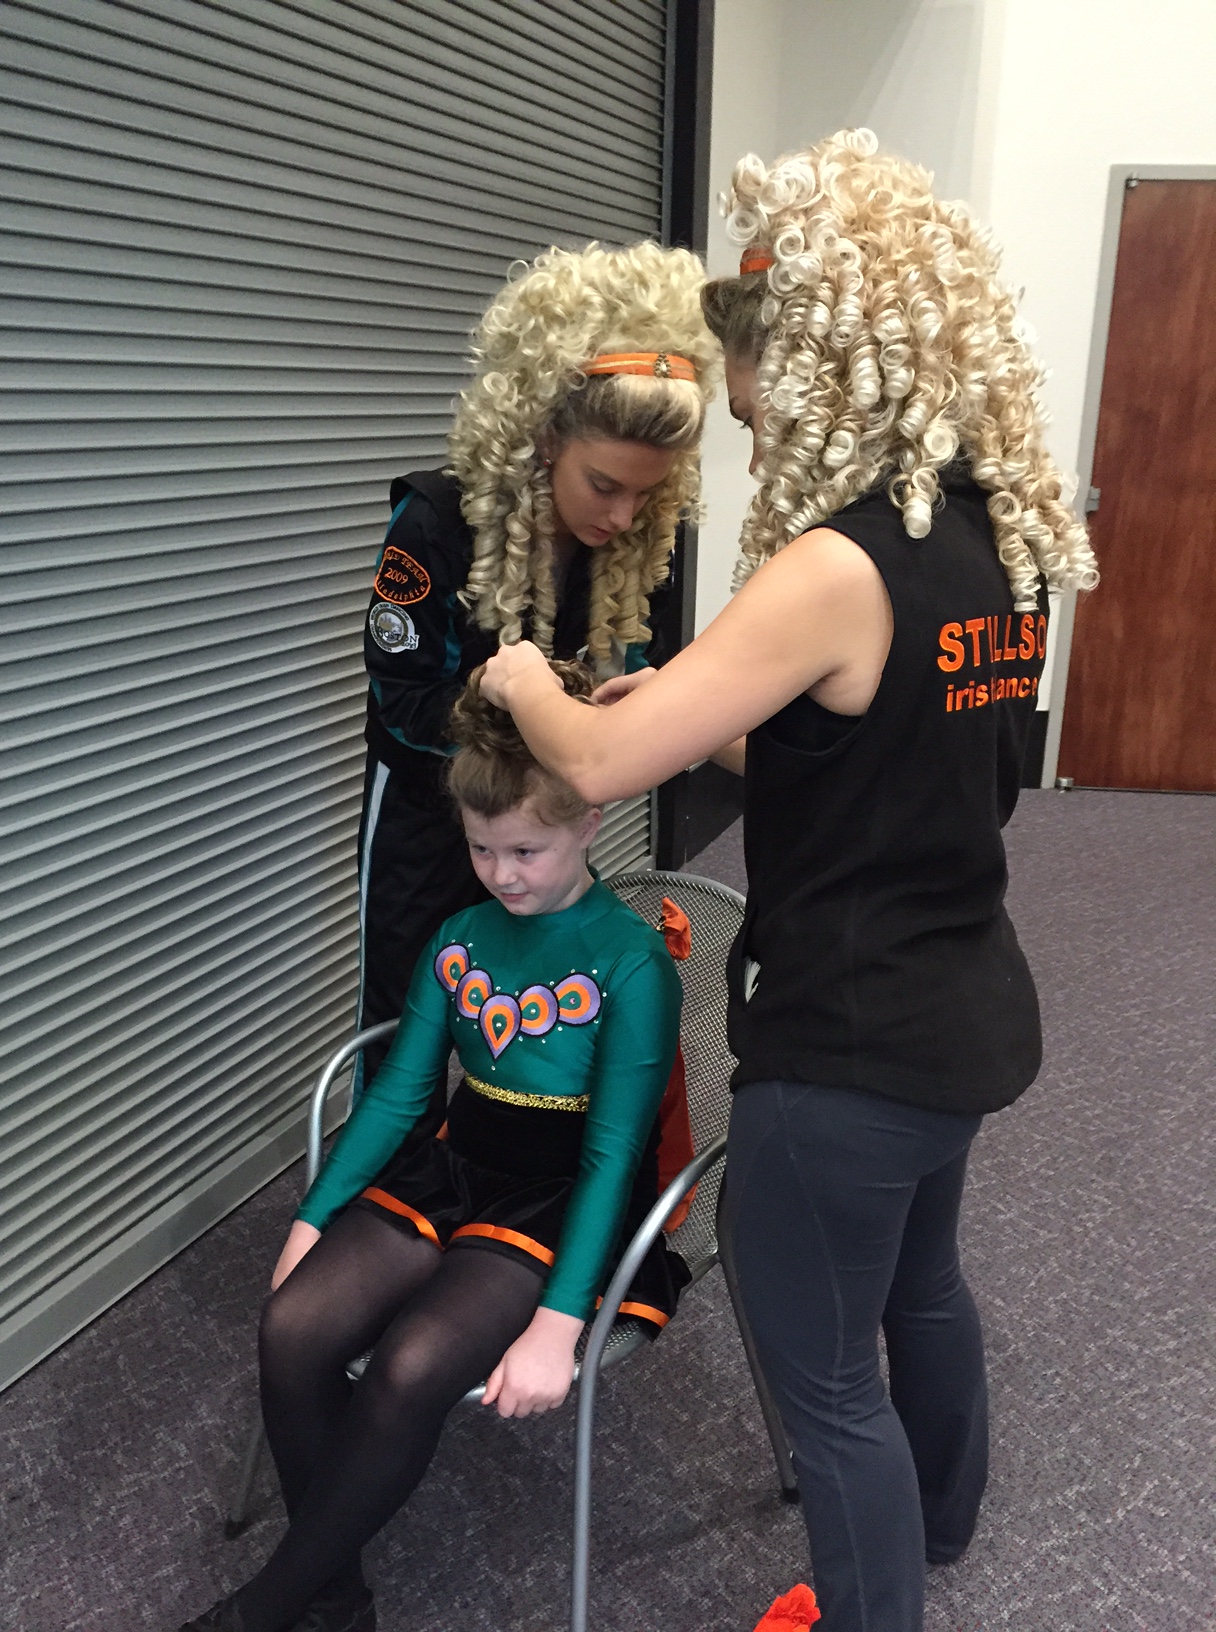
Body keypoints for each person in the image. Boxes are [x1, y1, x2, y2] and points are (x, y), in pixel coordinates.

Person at [480, 130, 1098, 1632]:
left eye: (757, 408)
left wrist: (521, 680)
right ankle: (943, 1523)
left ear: (822, 368)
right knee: (921, 1290)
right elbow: (900, 750)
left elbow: (597, 764)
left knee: (824, 1383)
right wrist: (702, 714)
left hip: (846, 1044)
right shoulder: (992, 536)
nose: (754, 443)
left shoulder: (832, 566)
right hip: (959, 1004)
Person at [179, 661, 685, 1632]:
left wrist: (559, 1324)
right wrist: (312, 1216)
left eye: (527, 849)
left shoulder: (632, 963)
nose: (502, 874)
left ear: (591, 821)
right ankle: (335, 1601)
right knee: (291, 1325)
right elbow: (399, 1096)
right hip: (454, 1167)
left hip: (562, 1195)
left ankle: (262, 1612)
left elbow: (616, 1153)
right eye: (481, 848)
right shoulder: (459, 936)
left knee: (411, 1366)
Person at [355, 240, 715, 1092]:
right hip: (429, 815)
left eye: (646, 493)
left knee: (548, 1011)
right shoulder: (434, 523)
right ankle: (394, 1169)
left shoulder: (633, 537)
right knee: (404, 1026)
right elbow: (401, 700)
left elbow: (636, 666)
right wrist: (505, 705)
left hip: (552, 819)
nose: (623, 515)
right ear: (549, 437)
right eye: (605, 485)